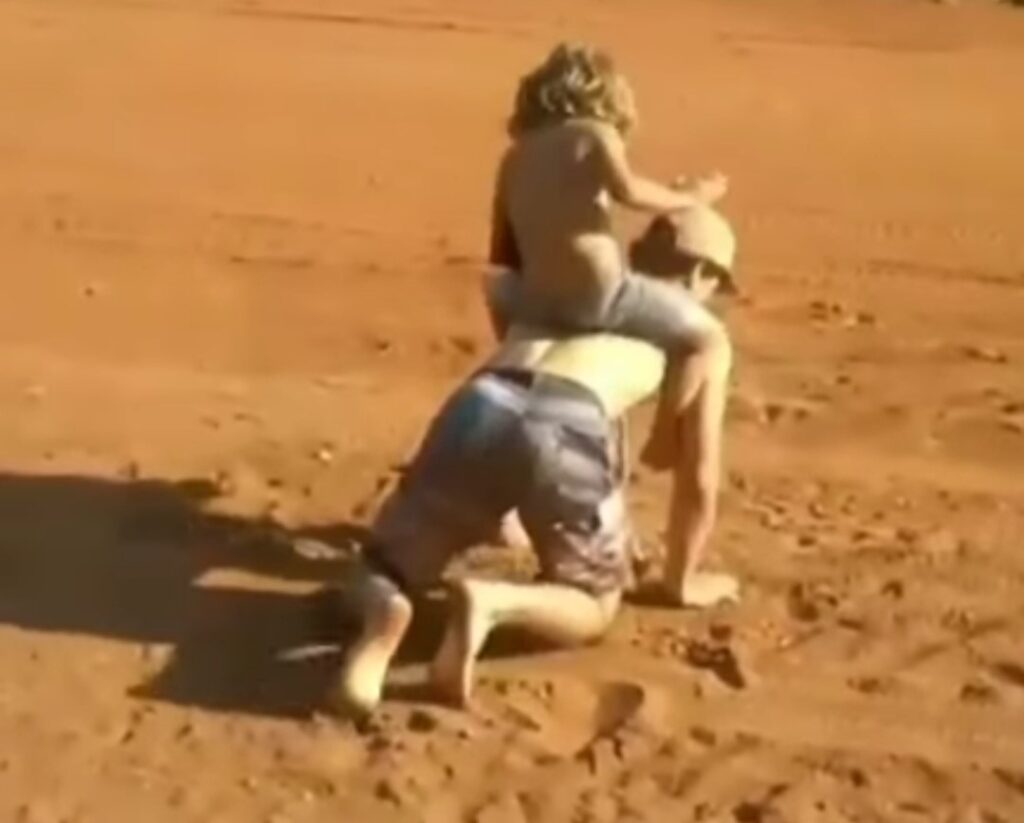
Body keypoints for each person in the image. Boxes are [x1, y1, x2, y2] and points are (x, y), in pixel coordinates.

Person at [331, 206, 738, 717]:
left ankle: (382, 617)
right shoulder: (697, 333)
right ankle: (493, 604)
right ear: (702, 274)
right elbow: (698, 476)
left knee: (383, 567)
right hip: (570, 420)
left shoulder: (571, 289)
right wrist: (680, 581)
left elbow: (508, 319)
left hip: (481, 401)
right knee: (592, 603)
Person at [488, 42, 729, 467]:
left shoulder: (514, 157)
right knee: (707, 339)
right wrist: (691, 197)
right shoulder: (594, 134)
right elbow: (630, 191)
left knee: (500, 292)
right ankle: (663, 438)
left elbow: (501, 251)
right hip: (600, 295)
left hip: (540, 301)